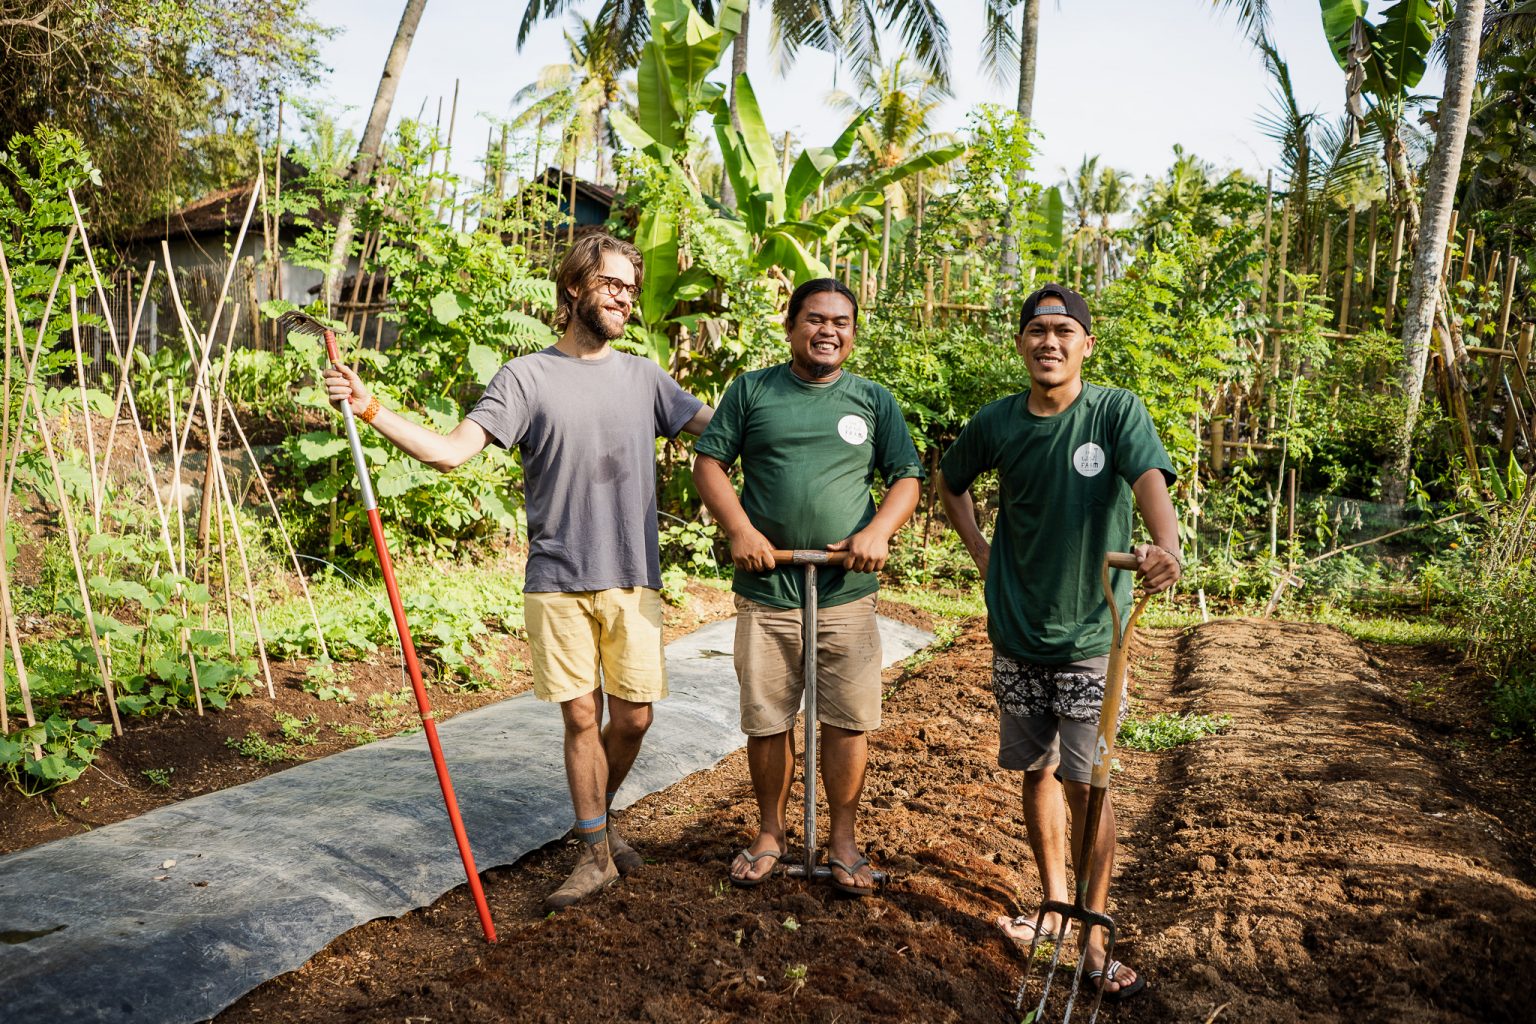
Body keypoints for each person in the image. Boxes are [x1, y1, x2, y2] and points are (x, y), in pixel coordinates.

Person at [323, 233, 713, 911]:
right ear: (573, 291)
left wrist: (791, 409)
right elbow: (449, 453)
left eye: (629, 286)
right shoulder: (524, 378)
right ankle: (595, 855)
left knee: (636, 720)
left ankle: (597, 820)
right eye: (611, 285)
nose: (624, 297)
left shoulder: (646, 378)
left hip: (633, 575)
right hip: (558, 576)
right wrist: (370, 408)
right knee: (582, 718)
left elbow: (716, 428)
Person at [937, 282, 1180, 1003]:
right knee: (1037, 770)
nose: (1049, 342)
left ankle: (1096, 933)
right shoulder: (998, 422)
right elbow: (951, 483)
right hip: (1017, 629)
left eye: (1063, 331)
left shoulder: (1114, 412)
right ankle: (1054, 905)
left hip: (1091, 634)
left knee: (1089, 782)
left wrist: (1165, 546)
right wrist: (983, 550)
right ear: (1021, 344)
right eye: (1037, 331)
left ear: (1085, 345)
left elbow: (1149, 483)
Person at [692, 277, 923, 896]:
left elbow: (906, 477)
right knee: (767, 720)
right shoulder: (752, 390)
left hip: (845, 590)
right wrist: (739, 529)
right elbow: (710, 462)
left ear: (853, 332)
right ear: (791, 326)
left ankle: (842, 840)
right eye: (816, 319)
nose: (829, 331)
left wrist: (878, 531)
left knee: (848, 720)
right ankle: (770, 833)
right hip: (767, 591)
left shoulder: (873, 400)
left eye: (842, 322)